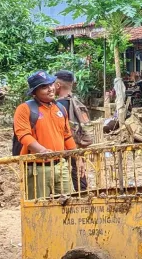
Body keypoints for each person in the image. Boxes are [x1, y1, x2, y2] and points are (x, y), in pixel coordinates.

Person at [13, 71, 77, 199]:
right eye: (44, 87)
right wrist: (42, 151)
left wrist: (78, 157)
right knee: (39, 206)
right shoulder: (24, 109)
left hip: (60, 165)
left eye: (51, 84)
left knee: (70, 202)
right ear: (34, 92)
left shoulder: (60, 109)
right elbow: (24, 135)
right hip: (37, 168)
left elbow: (67, 136)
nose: (50, 89)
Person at [55, 70, 90, 191]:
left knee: (64, 172)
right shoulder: (76, 102)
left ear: (57, 85)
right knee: (79, 171)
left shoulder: (57, 106)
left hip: (65, 145)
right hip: (79, 143)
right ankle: (83, 194)